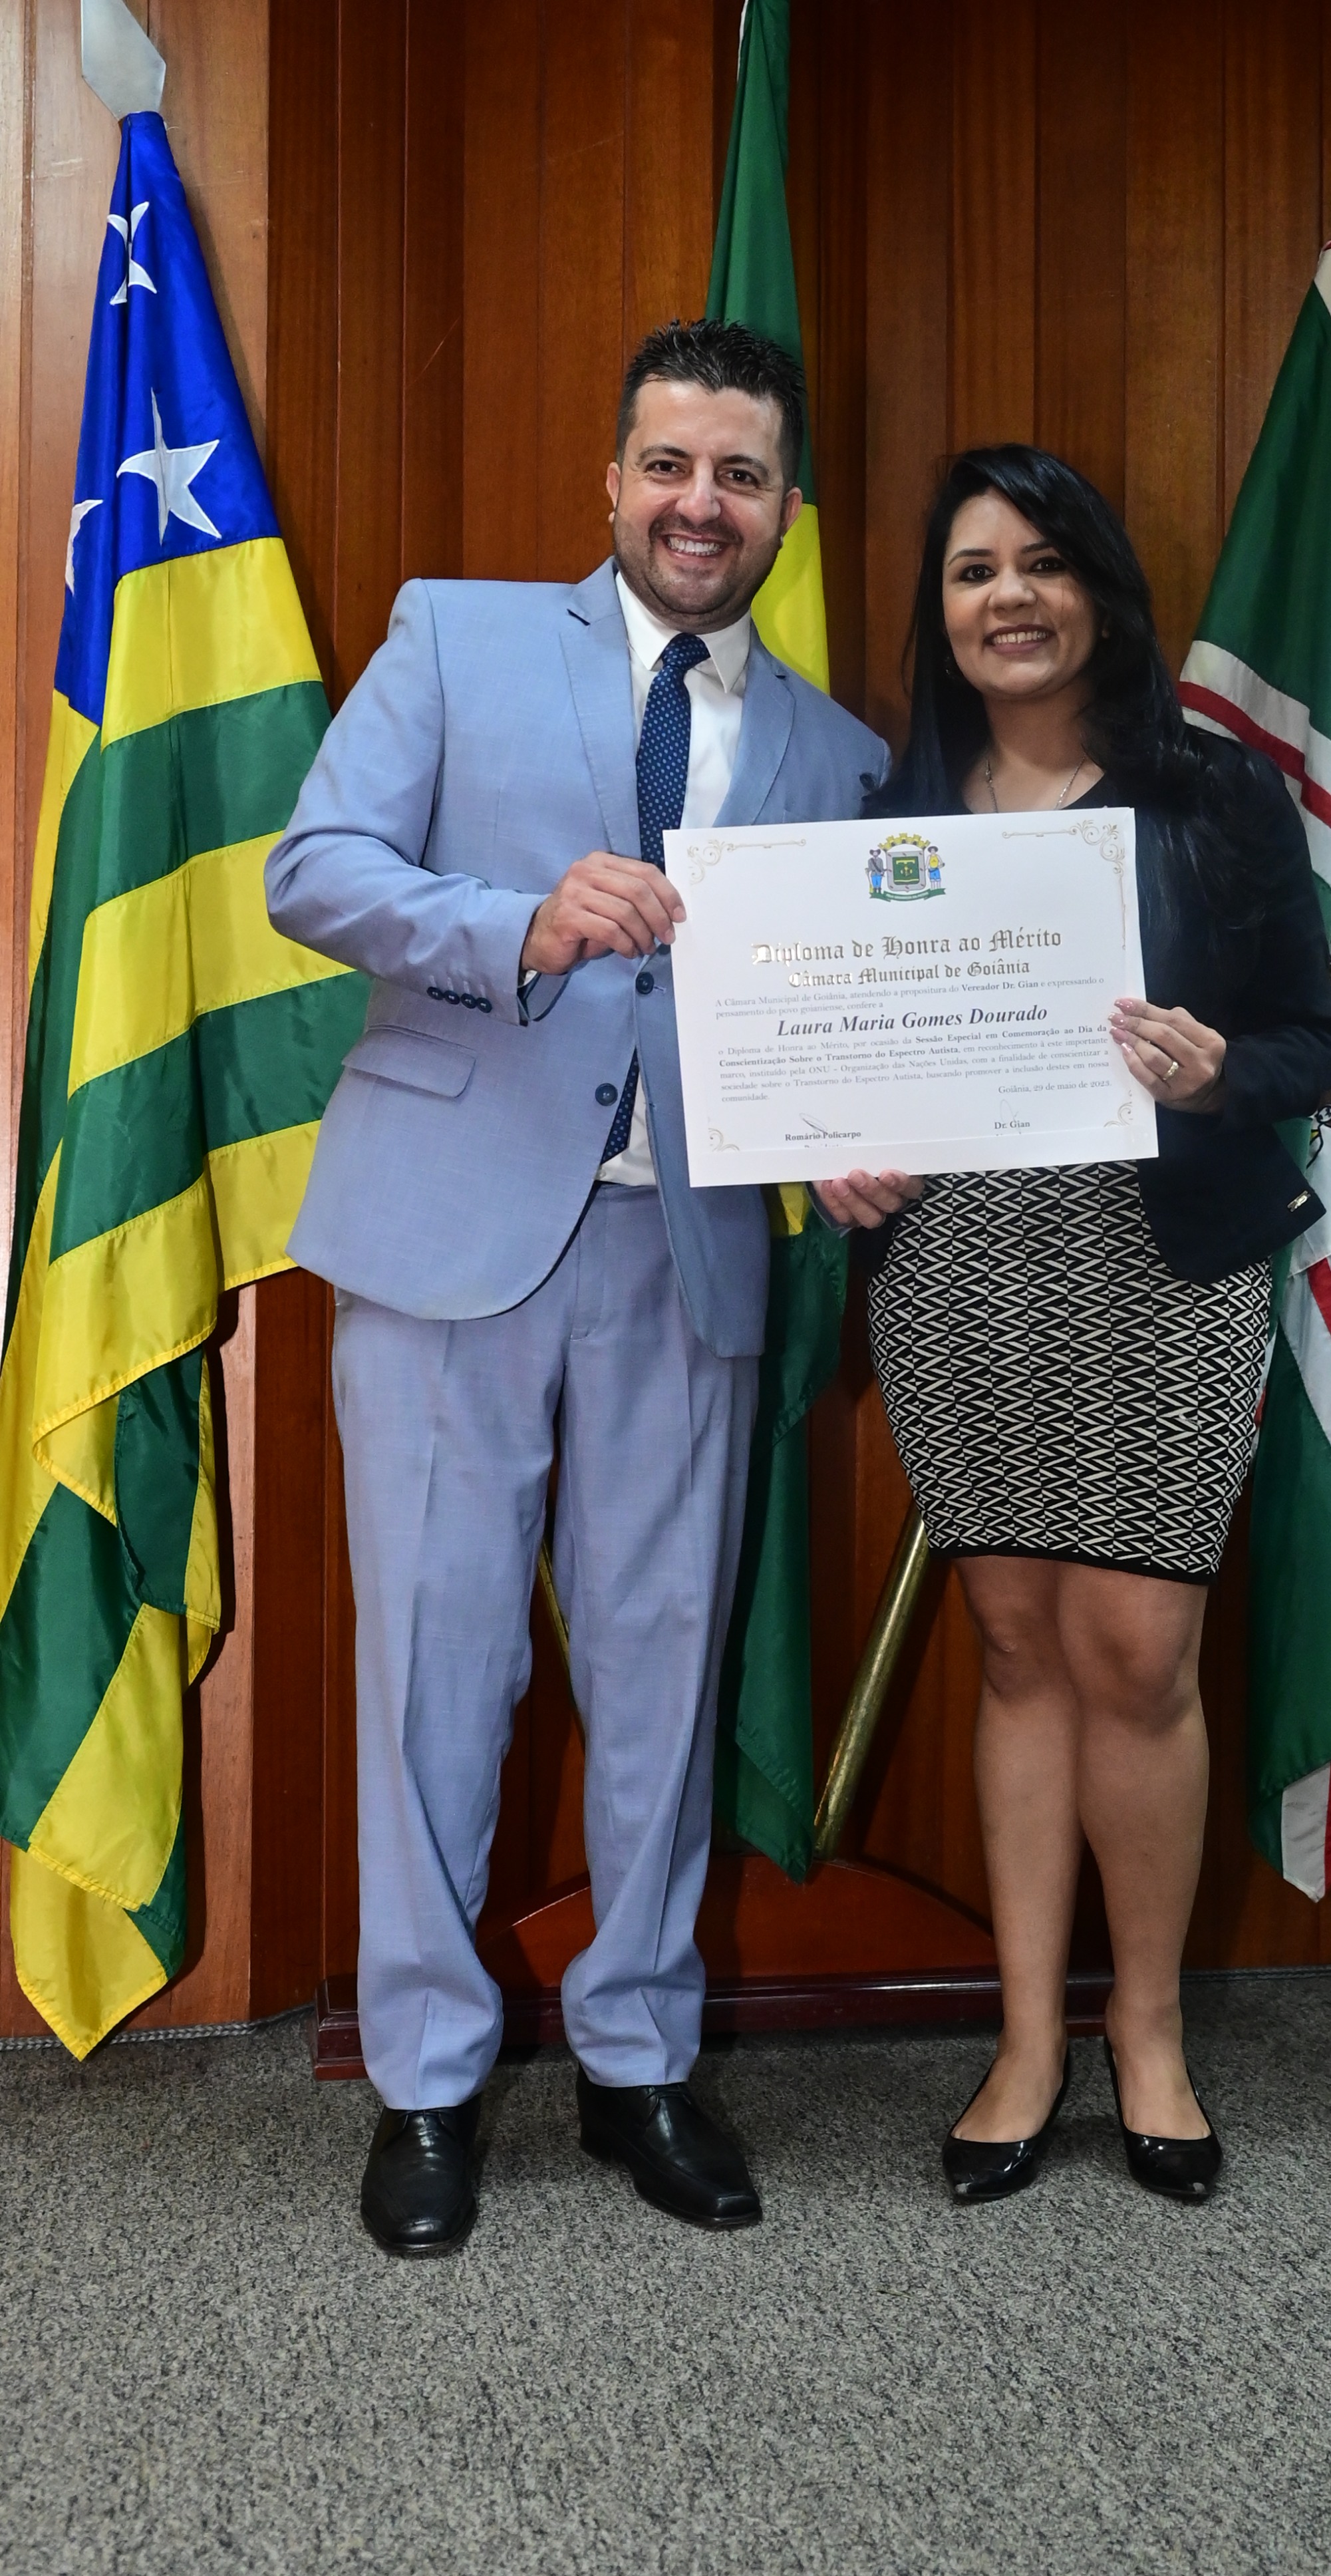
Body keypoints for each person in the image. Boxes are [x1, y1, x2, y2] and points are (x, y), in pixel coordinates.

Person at [266, 320, 887, 2255]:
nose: (702, 504)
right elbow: (313, 868)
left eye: (741, 476)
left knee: (661, 1679)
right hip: (447, 1240)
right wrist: (513, 925)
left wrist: (851, 1139)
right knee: (437, 1673)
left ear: (786, 510)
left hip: (684, 1261)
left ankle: (639, 2059)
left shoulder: (840, 755)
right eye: (670, 466)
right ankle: (426, 2081)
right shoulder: (454, 639)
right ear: (612, 483)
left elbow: (826, 1023)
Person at [815, 446, 1331, 2206]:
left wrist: (1216, 1068)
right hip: (963, 1263)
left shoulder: (1213, 794)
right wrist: (838, 1160)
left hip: (1163, 1261)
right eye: (975, 570)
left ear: (1100, 592)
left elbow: (1307, 1040)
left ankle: (1151, 2036)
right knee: (1018, 1646)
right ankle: (1029, 2041)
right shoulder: (887, 820)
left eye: (1043, 563)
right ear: (940, 610)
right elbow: (829, 1069)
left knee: (1139, 1654)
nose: (1011, 598)